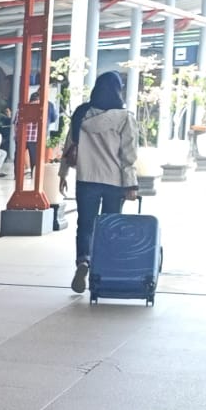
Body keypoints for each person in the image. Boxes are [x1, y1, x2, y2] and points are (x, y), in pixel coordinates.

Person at [59, 70, 139, 294]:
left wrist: (63, 173)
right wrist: (131, 185)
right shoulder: (124, 118)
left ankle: (83, 261)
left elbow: (69, 144)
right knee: (110, 227)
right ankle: (105, 270)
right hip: (114, 181)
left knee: (85, 225)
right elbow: (129, 154)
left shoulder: (82, 114)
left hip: (86, 178)